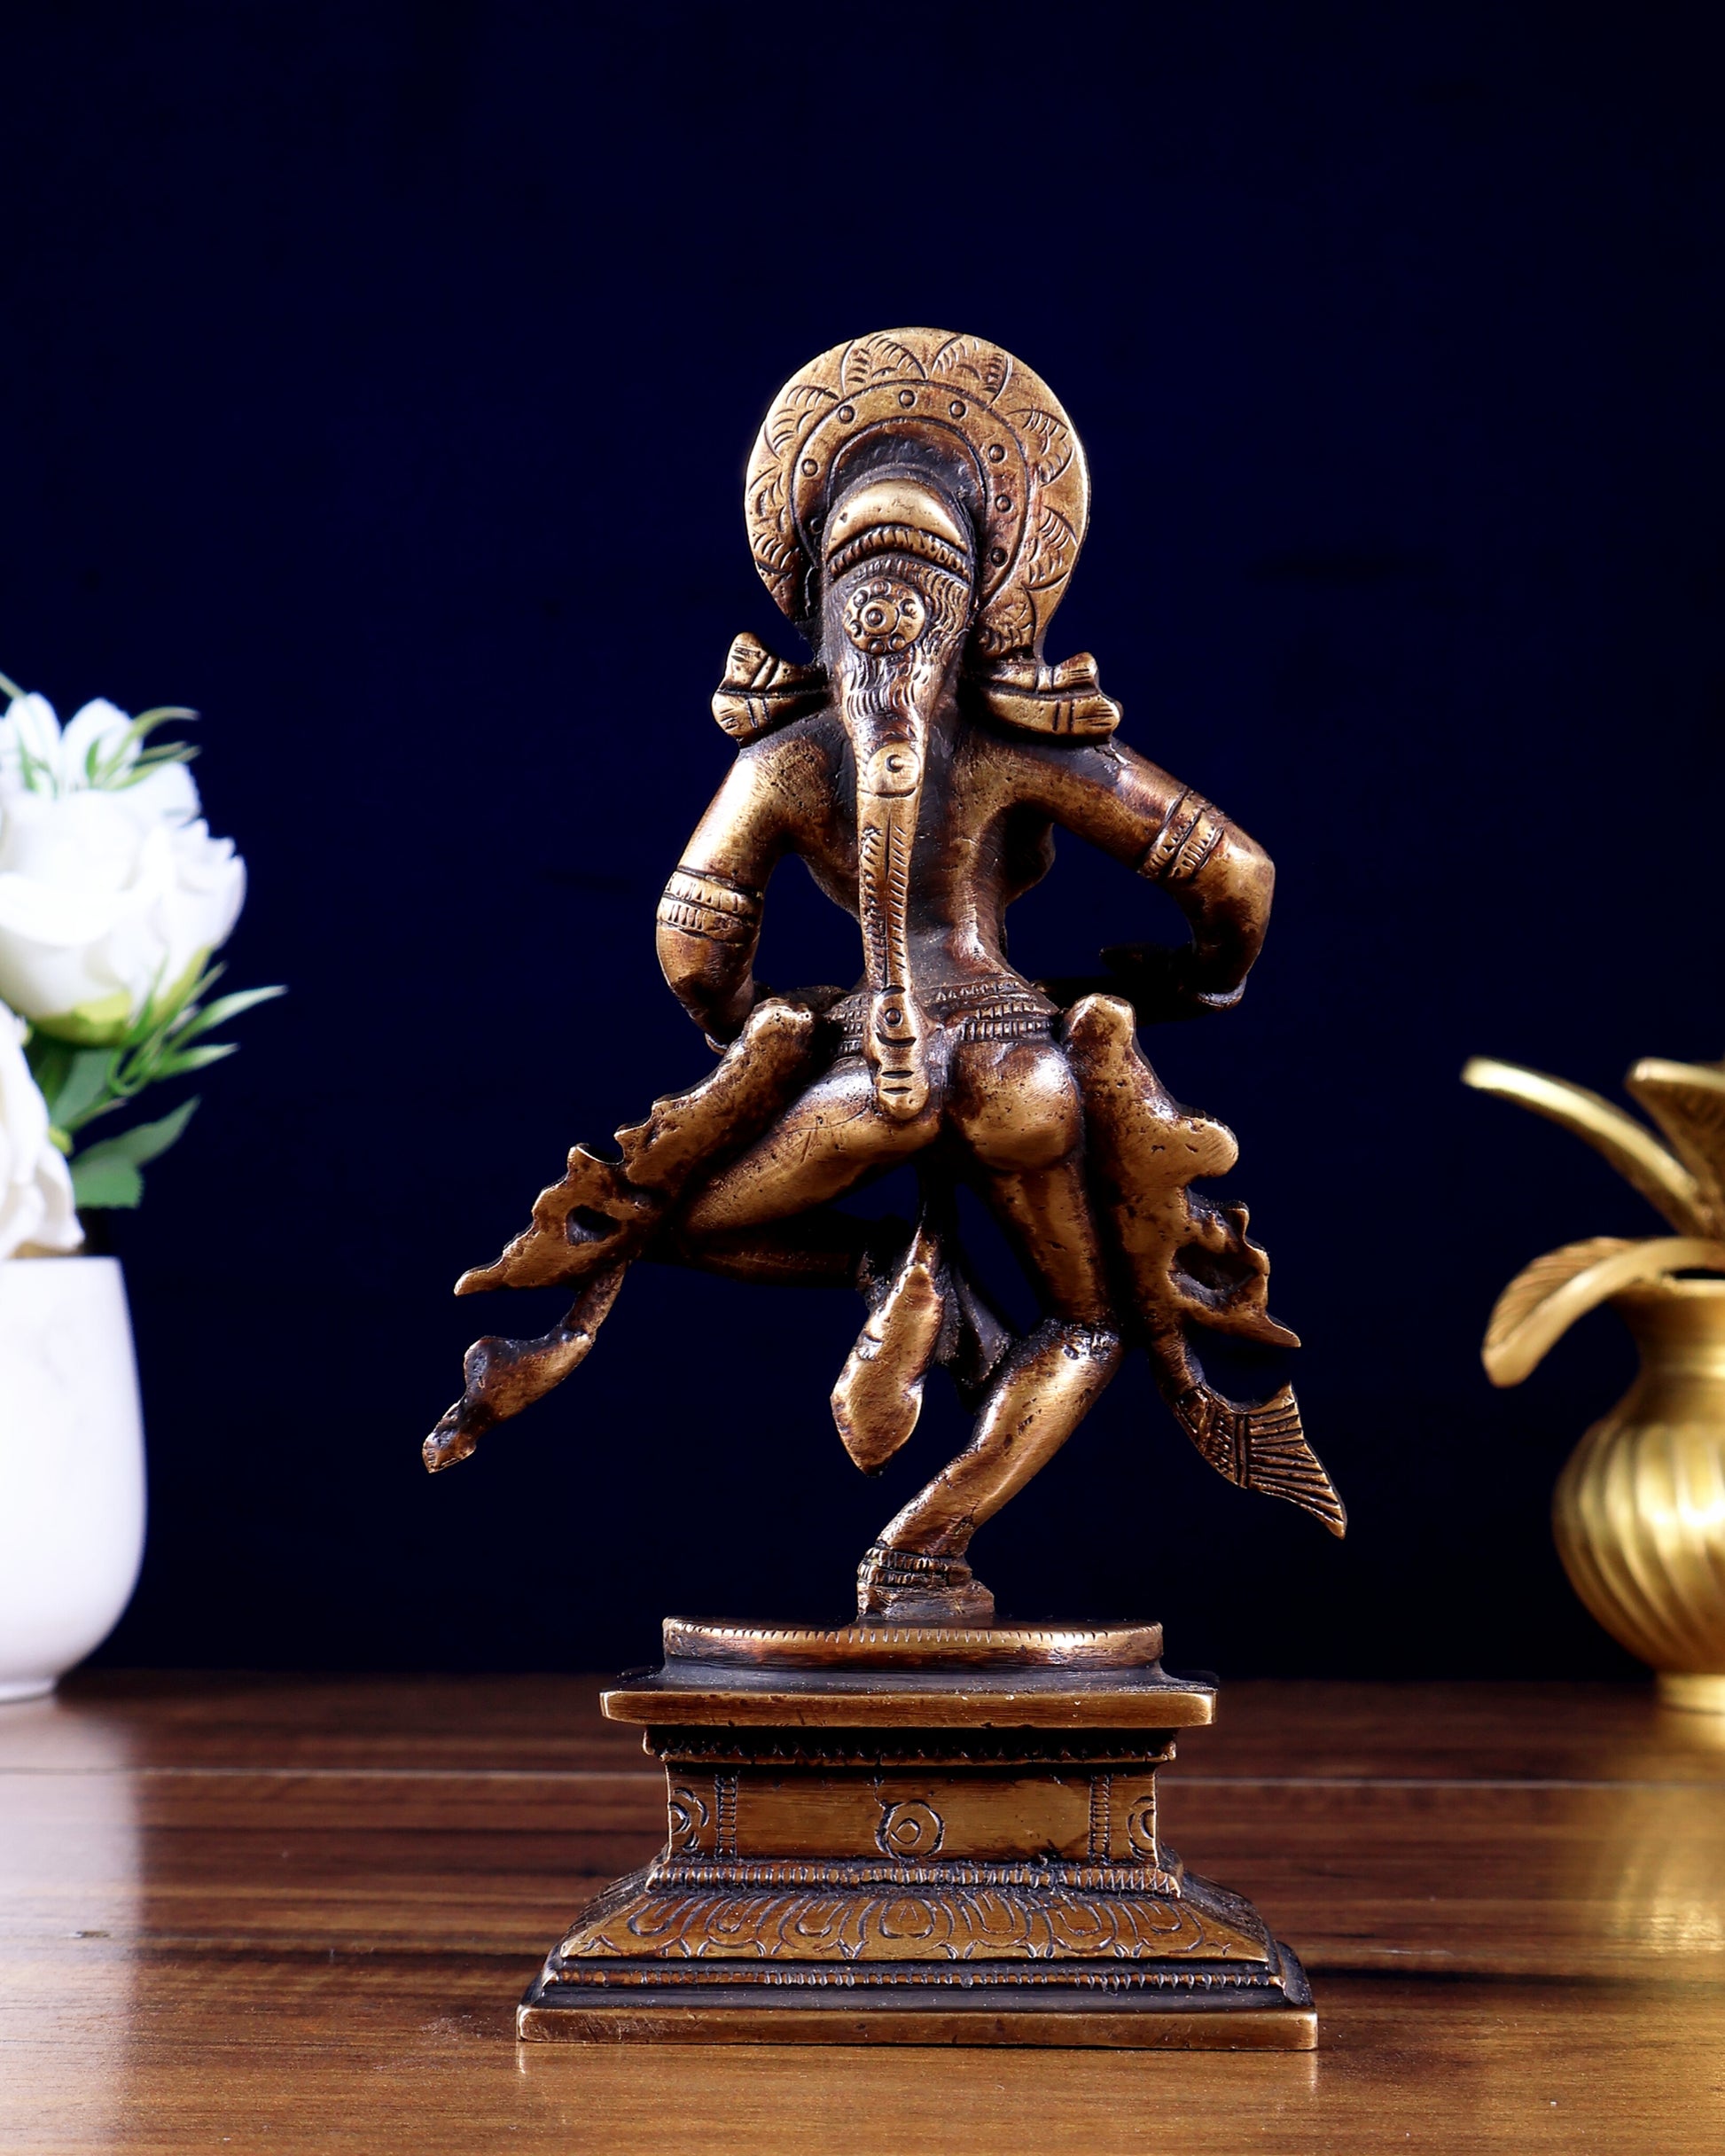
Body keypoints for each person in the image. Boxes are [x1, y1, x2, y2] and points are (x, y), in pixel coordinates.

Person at [427, 331, 1343, 1617]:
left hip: (865, 1072)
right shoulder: (1035, 742)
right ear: (988, 594)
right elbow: (1236, 876)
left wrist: (754, 1032)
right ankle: (924, 1543)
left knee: (681, 1225)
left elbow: (691, 940)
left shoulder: (783, 758)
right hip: (1022, 1069)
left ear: (812, 593)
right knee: (1089, 1323)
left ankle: (886, 1265)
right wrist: (1197, 982)